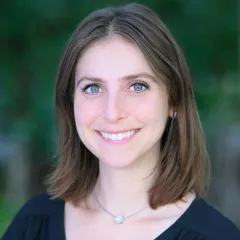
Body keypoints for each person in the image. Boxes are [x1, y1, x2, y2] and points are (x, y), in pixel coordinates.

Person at [2, 3, 240, 240]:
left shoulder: (217, 236)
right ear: (70, 103)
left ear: (173, 101)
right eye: (93, 88)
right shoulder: (32, 224)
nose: (112, 112)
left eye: (137, 86)